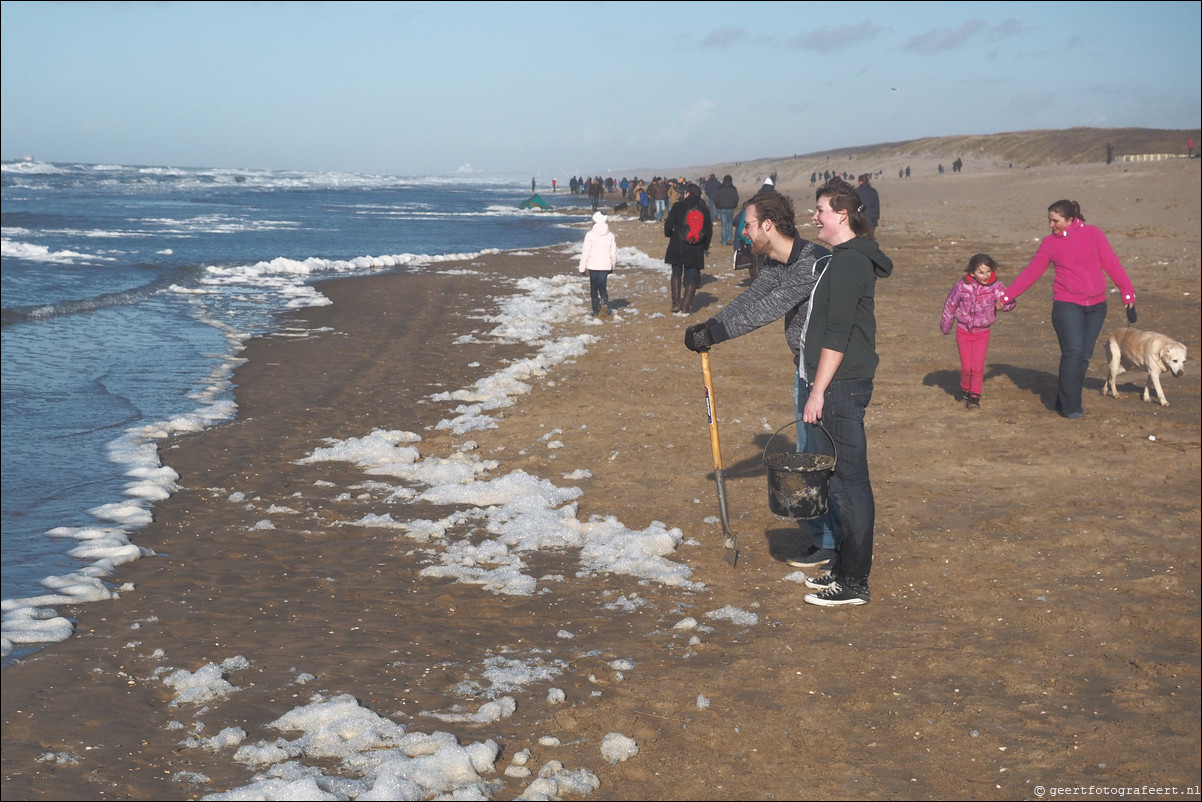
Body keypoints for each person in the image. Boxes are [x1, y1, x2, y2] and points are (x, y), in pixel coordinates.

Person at [683, 190, 840, 571]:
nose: (744, 234)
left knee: (820, 460)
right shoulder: (776, 263)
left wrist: (717, 335)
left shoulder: (813, 264)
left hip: (829, 376)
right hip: (805, 370)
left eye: (748, 226)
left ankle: (831, 542)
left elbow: (772, 307)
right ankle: (824, 537)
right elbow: (753, 298)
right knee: (809, 456)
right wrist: (710, 326)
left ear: (768, 225)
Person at [799, 178, 893, 606]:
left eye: (819, 210)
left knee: (851, 484)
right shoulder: (844, 258)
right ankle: (841, 568)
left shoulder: (851, 261)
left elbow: (837, 334)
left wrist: (817, 392)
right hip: (838, 383)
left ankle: (854, 581)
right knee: (838, 482)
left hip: (841, 384)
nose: (813, 217)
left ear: (841, 214)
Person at [998, 199, 1136, 418]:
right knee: (1072, 353)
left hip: (1097, 307)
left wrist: (1127, 293)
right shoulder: (1049, 244)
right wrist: (1007, 296)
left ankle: (1064, 402)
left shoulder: (1093, 234)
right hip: (1067, 305)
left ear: (1071, 219)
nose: (1051, 225)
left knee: (1083, 356)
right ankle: (1072, 407)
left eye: (1055, 221)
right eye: (1049, 220)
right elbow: (1031, 272)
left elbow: (1112, 263)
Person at [940, 253, 1016, 409]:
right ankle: (965, 389)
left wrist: (1004, 304)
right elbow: (950, 305)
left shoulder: (996, 286)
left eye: (988, 271)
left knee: (977, 367)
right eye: (981, 272)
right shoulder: (961, 286)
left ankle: (974, 397)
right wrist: (946, 326)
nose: (986, 275)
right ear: (972, 272)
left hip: (983, 332)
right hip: (963, 331)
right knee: (966, 367)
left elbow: (1010, 300)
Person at [663, 183, 712, 314]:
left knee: (676, 273)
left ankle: (675, 303)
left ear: (687, 193)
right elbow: (709, 230)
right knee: (692, 277)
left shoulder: (678, 206)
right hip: (695, 247)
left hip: (677, 244)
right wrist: (705, 246)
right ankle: (685, 307)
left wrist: (669, 234)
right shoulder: (704, 209)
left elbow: (668, 225)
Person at [579, 211, 617, 316]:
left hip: (593, 265)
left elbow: (585, 252)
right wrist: (612, 266)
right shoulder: (610, 235)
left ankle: (595, 310)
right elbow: (613, 253)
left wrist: (582, 268)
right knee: (602, 286)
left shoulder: (590, 235)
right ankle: (604, 303)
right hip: (605, 265)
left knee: (593, 287)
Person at [713, 175, 740, 246]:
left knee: (723, 225)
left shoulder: (720, 188)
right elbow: (736, 199)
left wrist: (718, 206)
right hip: (730, 208)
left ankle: (724, 241)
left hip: (722, 208)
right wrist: (734, 205)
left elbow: (716, 199)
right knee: (730, 224)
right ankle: (729, 238)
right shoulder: (733, 188)